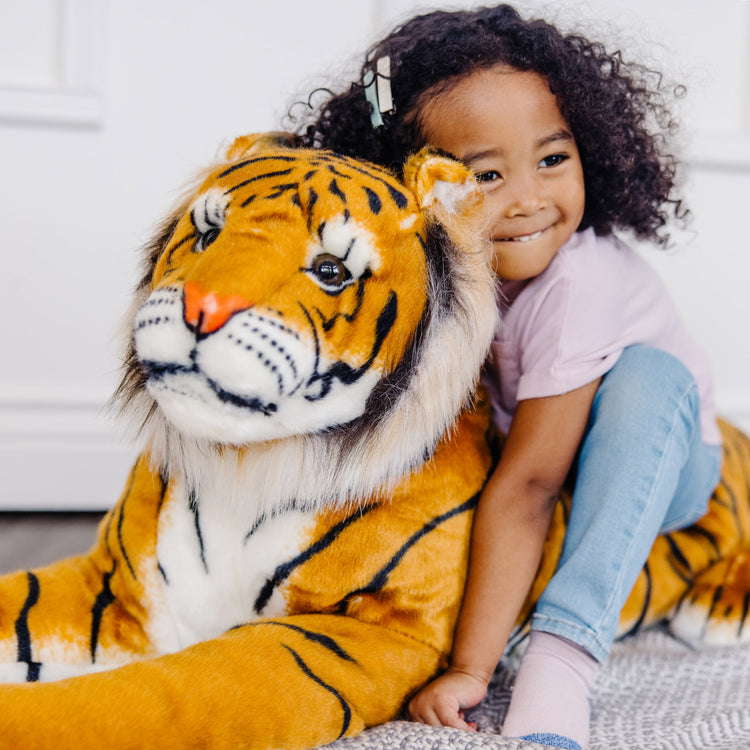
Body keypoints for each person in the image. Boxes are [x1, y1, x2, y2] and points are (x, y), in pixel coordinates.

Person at [293, 6, 722, 750]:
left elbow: (529, 487)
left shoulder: (577, 287)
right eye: (487, 174)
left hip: (663, 460)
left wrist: (471, 667)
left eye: (553, 159)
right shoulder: (434, 273)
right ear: (415, 183)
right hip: (531, 445)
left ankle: (563, 655)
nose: (527, 198)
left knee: (646, 379)